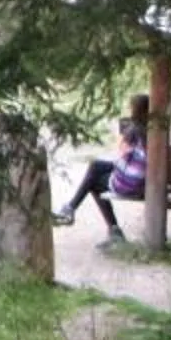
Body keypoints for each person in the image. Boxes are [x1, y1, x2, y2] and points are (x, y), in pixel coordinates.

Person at [55, 99, 150, 241]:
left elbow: (122, 158)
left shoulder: (133, 130)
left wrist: (121, 138)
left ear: (134, 110)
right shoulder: (151, 130)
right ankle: (71, 208)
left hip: (132, 183)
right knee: (95, 166)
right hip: (147, 179)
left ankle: (112, 230)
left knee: (93, 182)